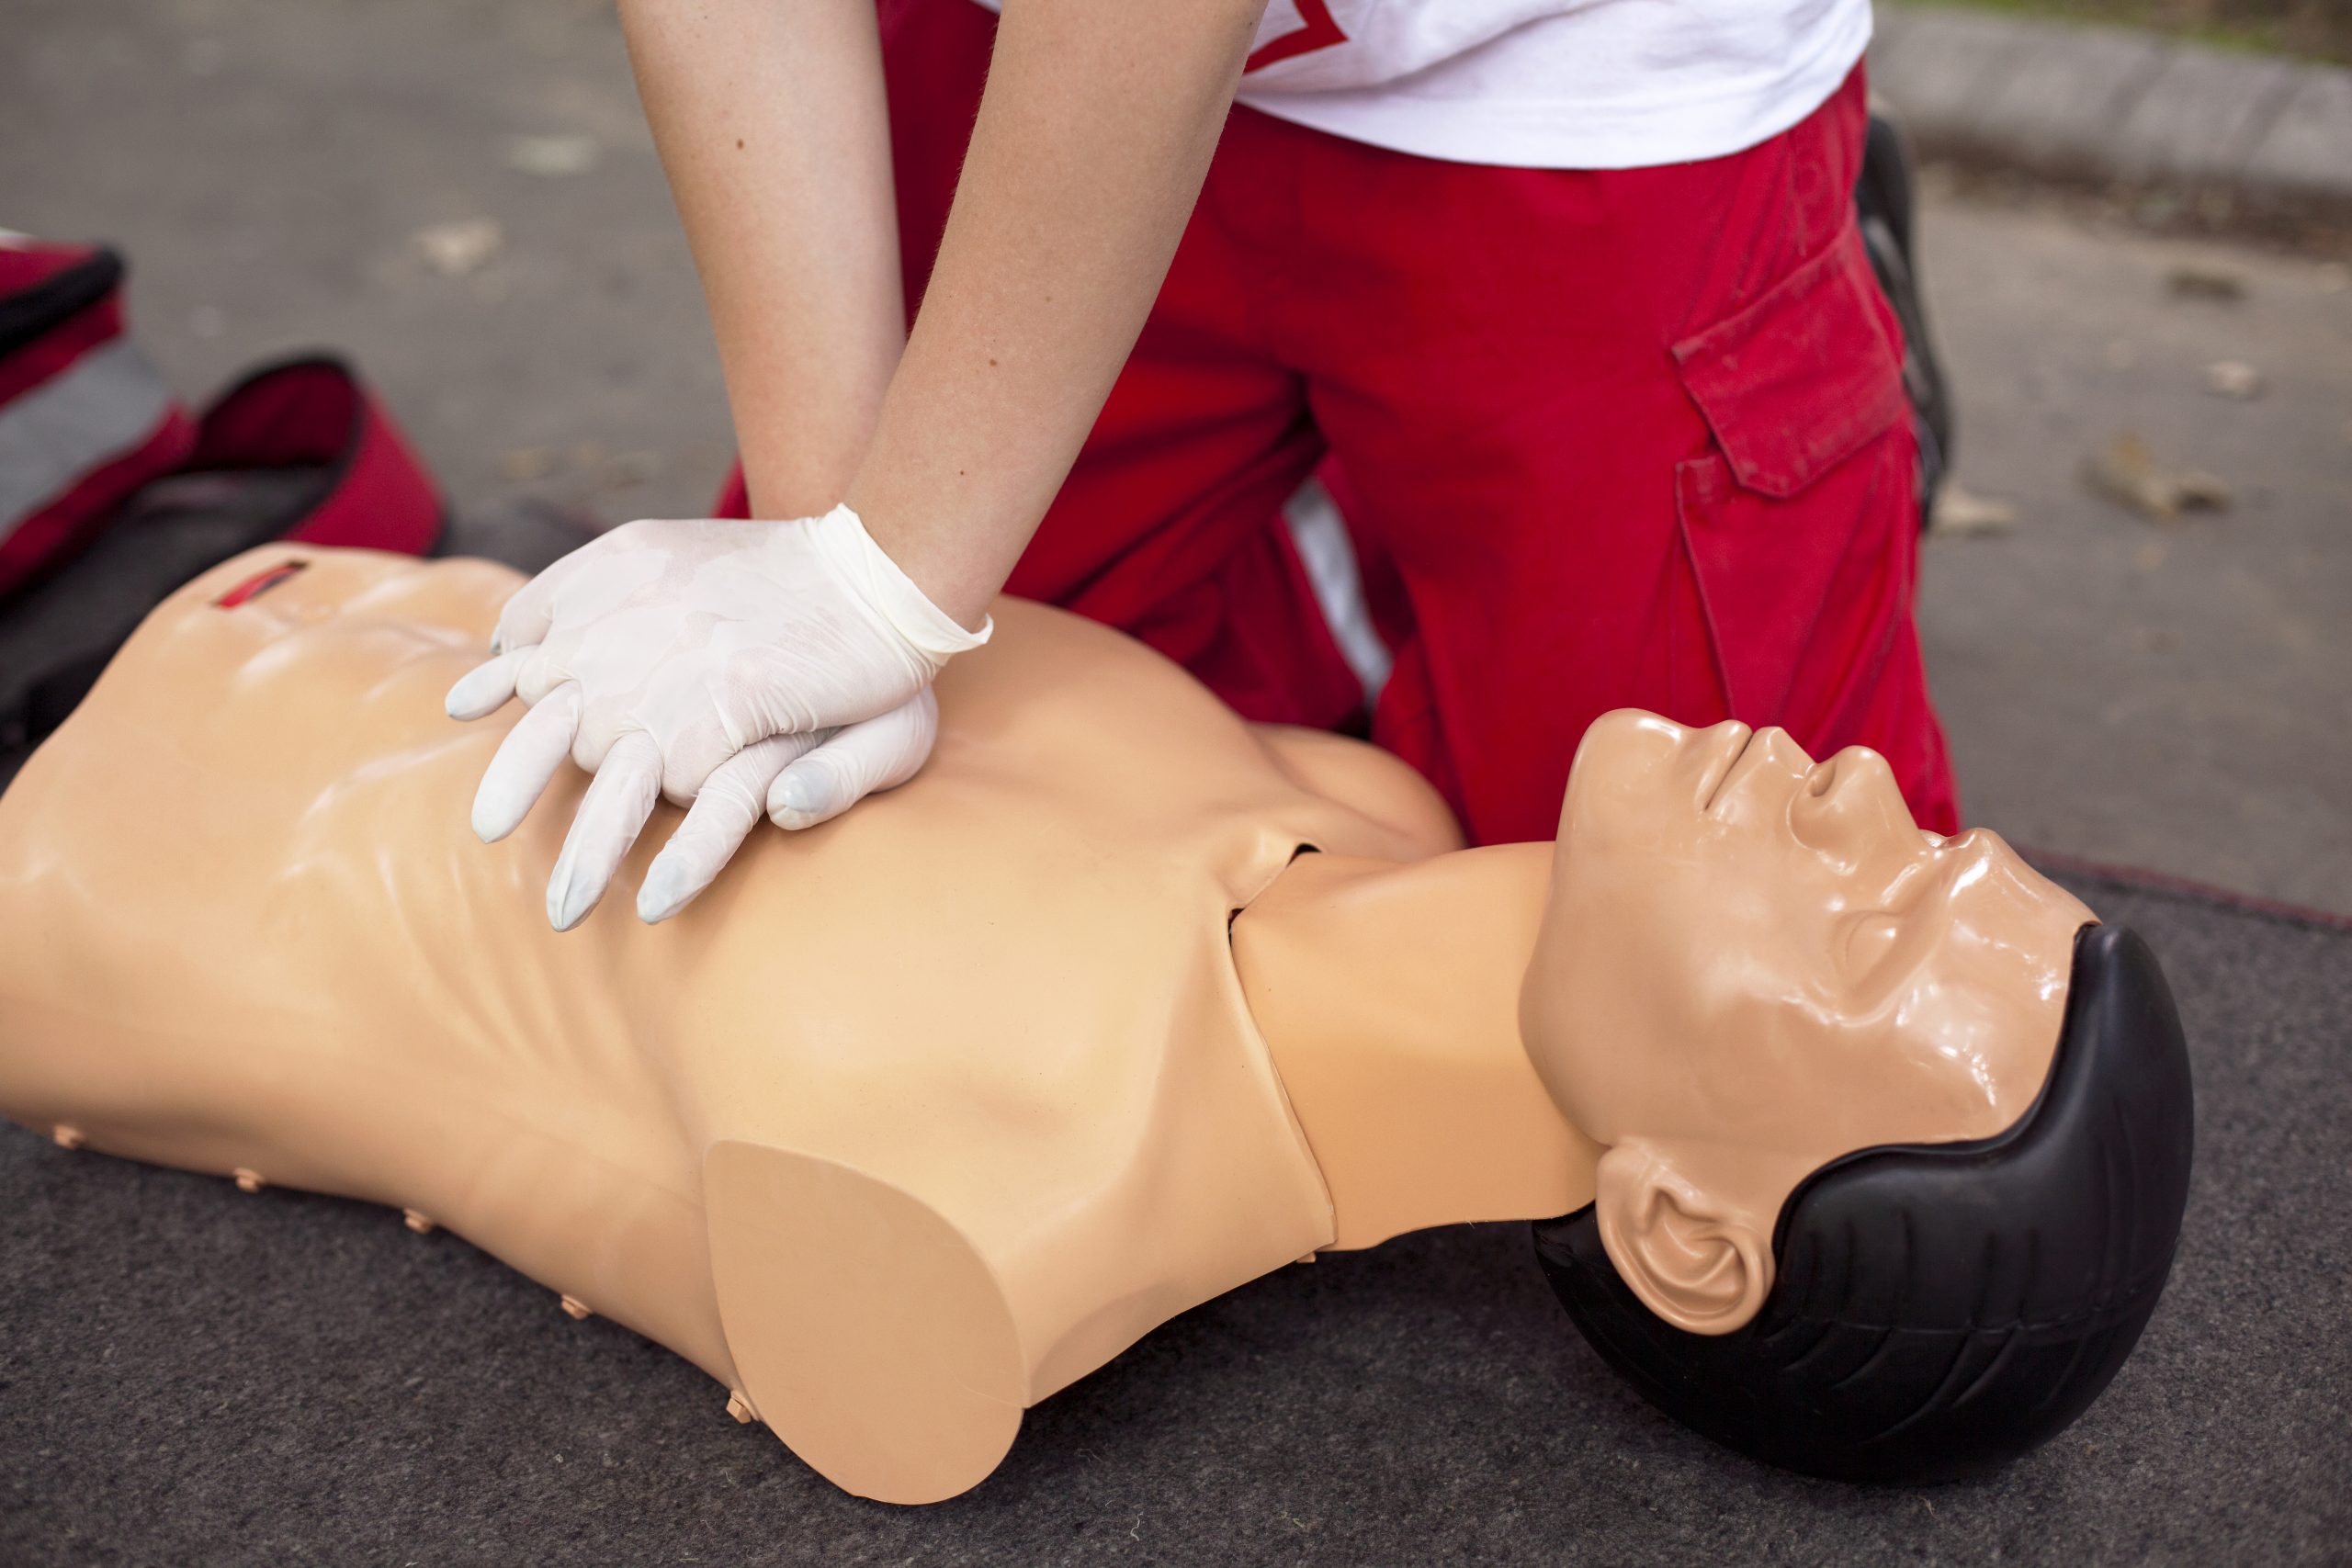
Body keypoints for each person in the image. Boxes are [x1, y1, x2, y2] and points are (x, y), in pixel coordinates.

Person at [0, 547, 2188, 1504]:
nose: (1864, 796)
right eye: (1939, 841)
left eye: (1877, 937)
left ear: (1686, 1235)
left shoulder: (973, 1246)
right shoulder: (1351, 803)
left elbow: (434, 1103)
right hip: (337, 599)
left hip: (76, 871)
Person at [441, 0, 1958, 931]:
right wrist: (822, 563)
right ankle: (1345, 542)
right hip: (1022, 48)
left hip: (1571, 73)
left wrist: (892, 582)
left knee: (1733, 961)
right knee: (887, 854)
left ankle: (1816, 336)